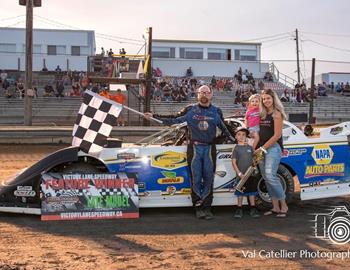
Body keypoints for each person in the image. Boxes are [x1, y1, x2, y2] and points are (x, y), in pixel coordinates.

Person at [145, 85, 234, 220]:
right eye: (201, 92)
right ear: (197, 95)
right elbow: (174, 119)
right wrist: (154, 116)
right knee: (196, 178)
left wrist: (239, 139)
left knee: (209, 178)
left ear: (211, 94)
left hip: (210, 148)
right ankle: (198, 207)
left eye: (206, 92)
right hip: (195, 148)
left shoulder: (217, 111)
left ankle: (207, 207)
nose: (204, 95)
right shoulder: (190, 109)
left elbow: (226, 129)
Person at [256, 89, 288, 218]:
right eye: (264, 99)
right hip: (261, 149)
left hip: (273, 148)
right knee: (266, 178)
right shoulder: (262, 114)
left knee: (270, 176)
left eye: (268, 98)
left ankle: (284, 205)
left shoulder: (277, 114)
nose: (266, 101)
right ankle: (275, 207)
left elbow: (277, 135)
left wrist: (263, 149)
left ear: (273, 99)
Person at [231, 127, 260, 218]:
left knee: (251, 192)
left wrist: (255, 165)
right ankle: (239, 209)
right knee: (240, 193)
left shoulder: (250, 147)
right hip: (241, 176)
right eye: (239, 134)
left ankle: (253, 208)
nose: (241, 136)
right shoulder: (235, 149)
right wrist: (239, 174)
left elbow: (254, 159)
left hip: (250, 175)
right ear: (235, 136)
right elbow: (233, 162)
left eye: (243, 134)